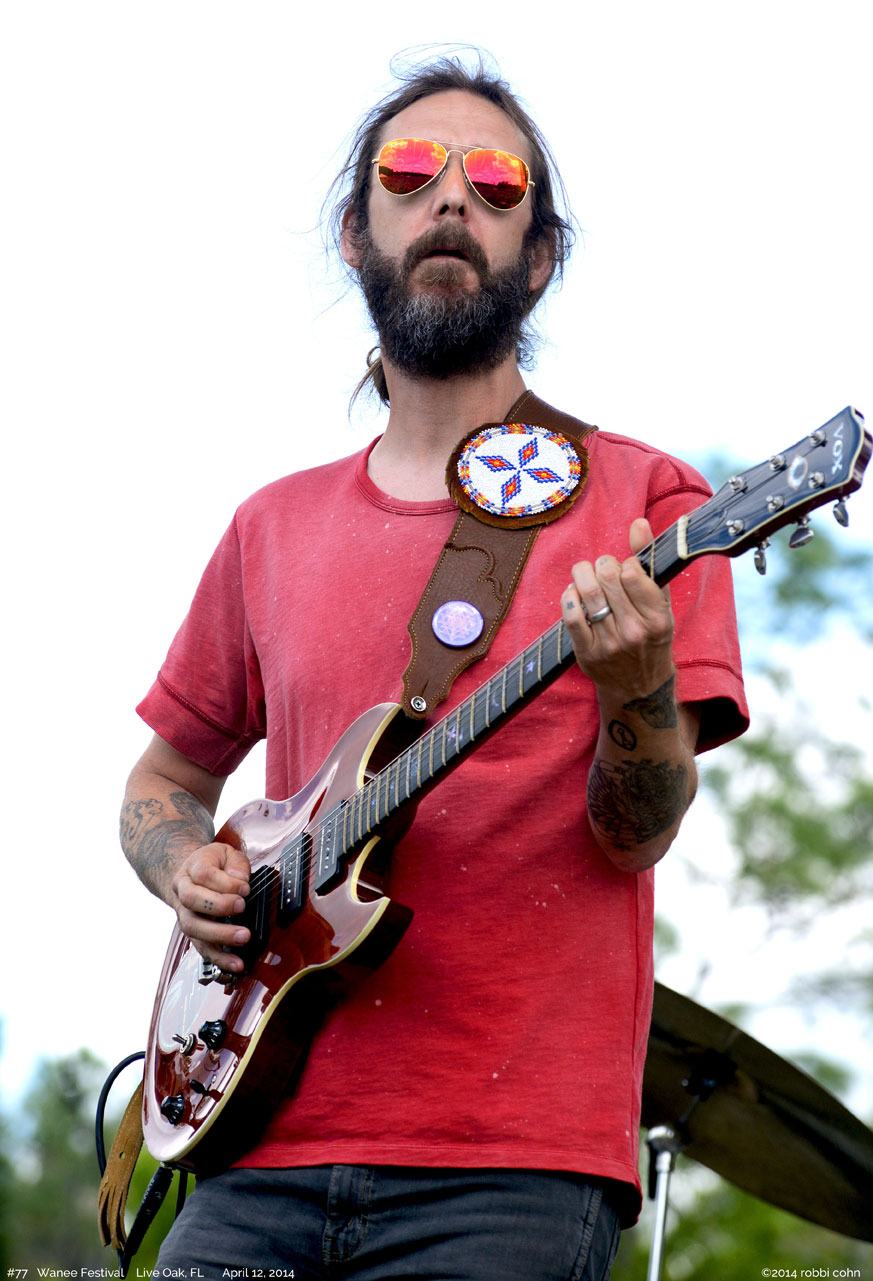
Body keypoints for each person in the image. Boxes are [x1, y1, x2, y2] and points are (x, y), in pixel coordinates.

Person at [121, 55, 747, 1281]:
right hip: (249, 1147)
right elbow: (162, 783)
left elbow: (636, 837)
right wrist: (183, 868)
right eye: (410, 172)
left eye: (497, 181)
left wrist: (636, 687)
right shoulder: (270, 526)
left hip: (509, 1170)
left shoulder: (646, 503)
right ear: (356, 236)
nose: (453, 197)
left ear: (540, 254)